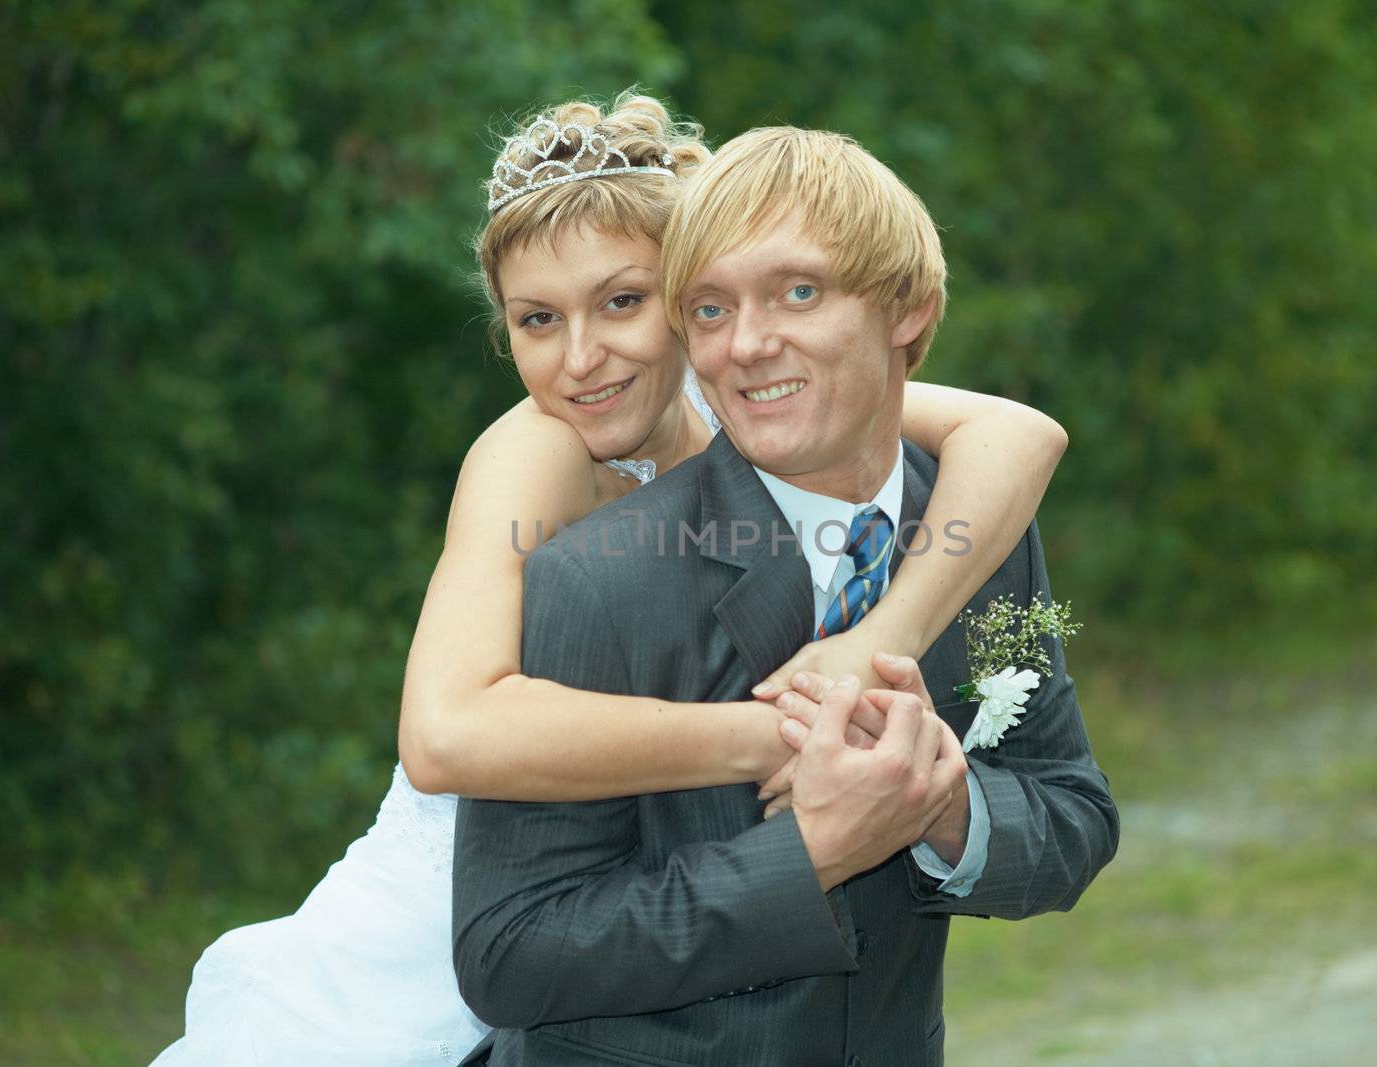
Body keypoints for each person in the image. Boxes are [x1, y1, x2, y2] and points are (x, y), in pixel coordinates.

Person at [153, 95, 1068, 1067]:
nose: (581, 357)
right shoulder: (537, 452)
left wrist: (870, 642)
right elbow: (444, 733)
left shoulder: (753, 409)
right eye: (537, 320)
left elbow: (1018, 433)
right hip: (423, 954)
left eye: (621, 302)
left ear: (688, 298)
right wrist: (786, 732)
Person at [451, 124, 1119, 1066]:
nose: (749, 345)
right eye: (713, 310)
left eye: (798, 292)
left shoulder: (972, 534)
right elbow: (509, 955)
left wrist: (942, 806)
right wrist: (811, 854)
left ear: (908, 313)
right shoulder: (594, 576)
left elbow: (1075, 816)